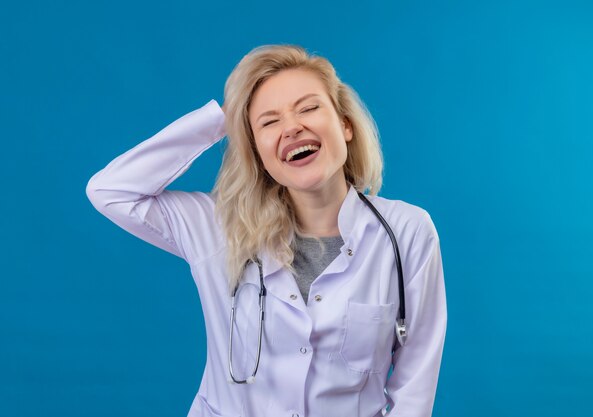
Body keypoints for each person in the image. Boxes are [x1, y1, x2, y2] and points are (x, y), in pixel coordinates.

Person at [86, 44, 447, 417]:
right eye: (269, 122)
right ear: (256, 151)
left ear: (345, 125)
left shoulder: (406, 232)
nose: (292, 127)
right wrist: (223, 119)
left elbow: (416, 376)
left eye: (309, 108)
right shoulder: (218, 226)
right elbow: (110, 191)